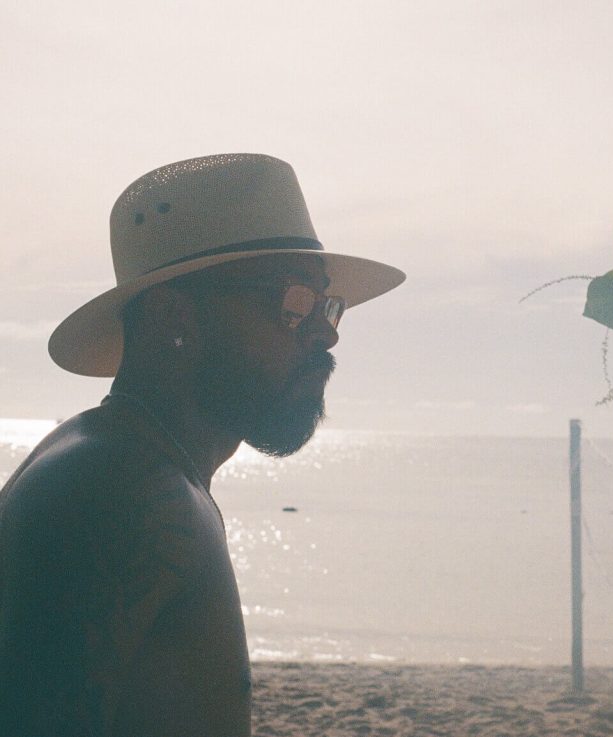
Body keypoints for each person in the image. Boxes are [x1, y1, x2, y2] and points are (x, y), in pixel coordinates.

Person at [0, 154, 405, 736]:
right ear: (173, 316)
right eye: (291, 302)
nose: (326, 331)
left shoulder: (140, 468)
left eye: (325, 304)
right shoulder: (113, 487)